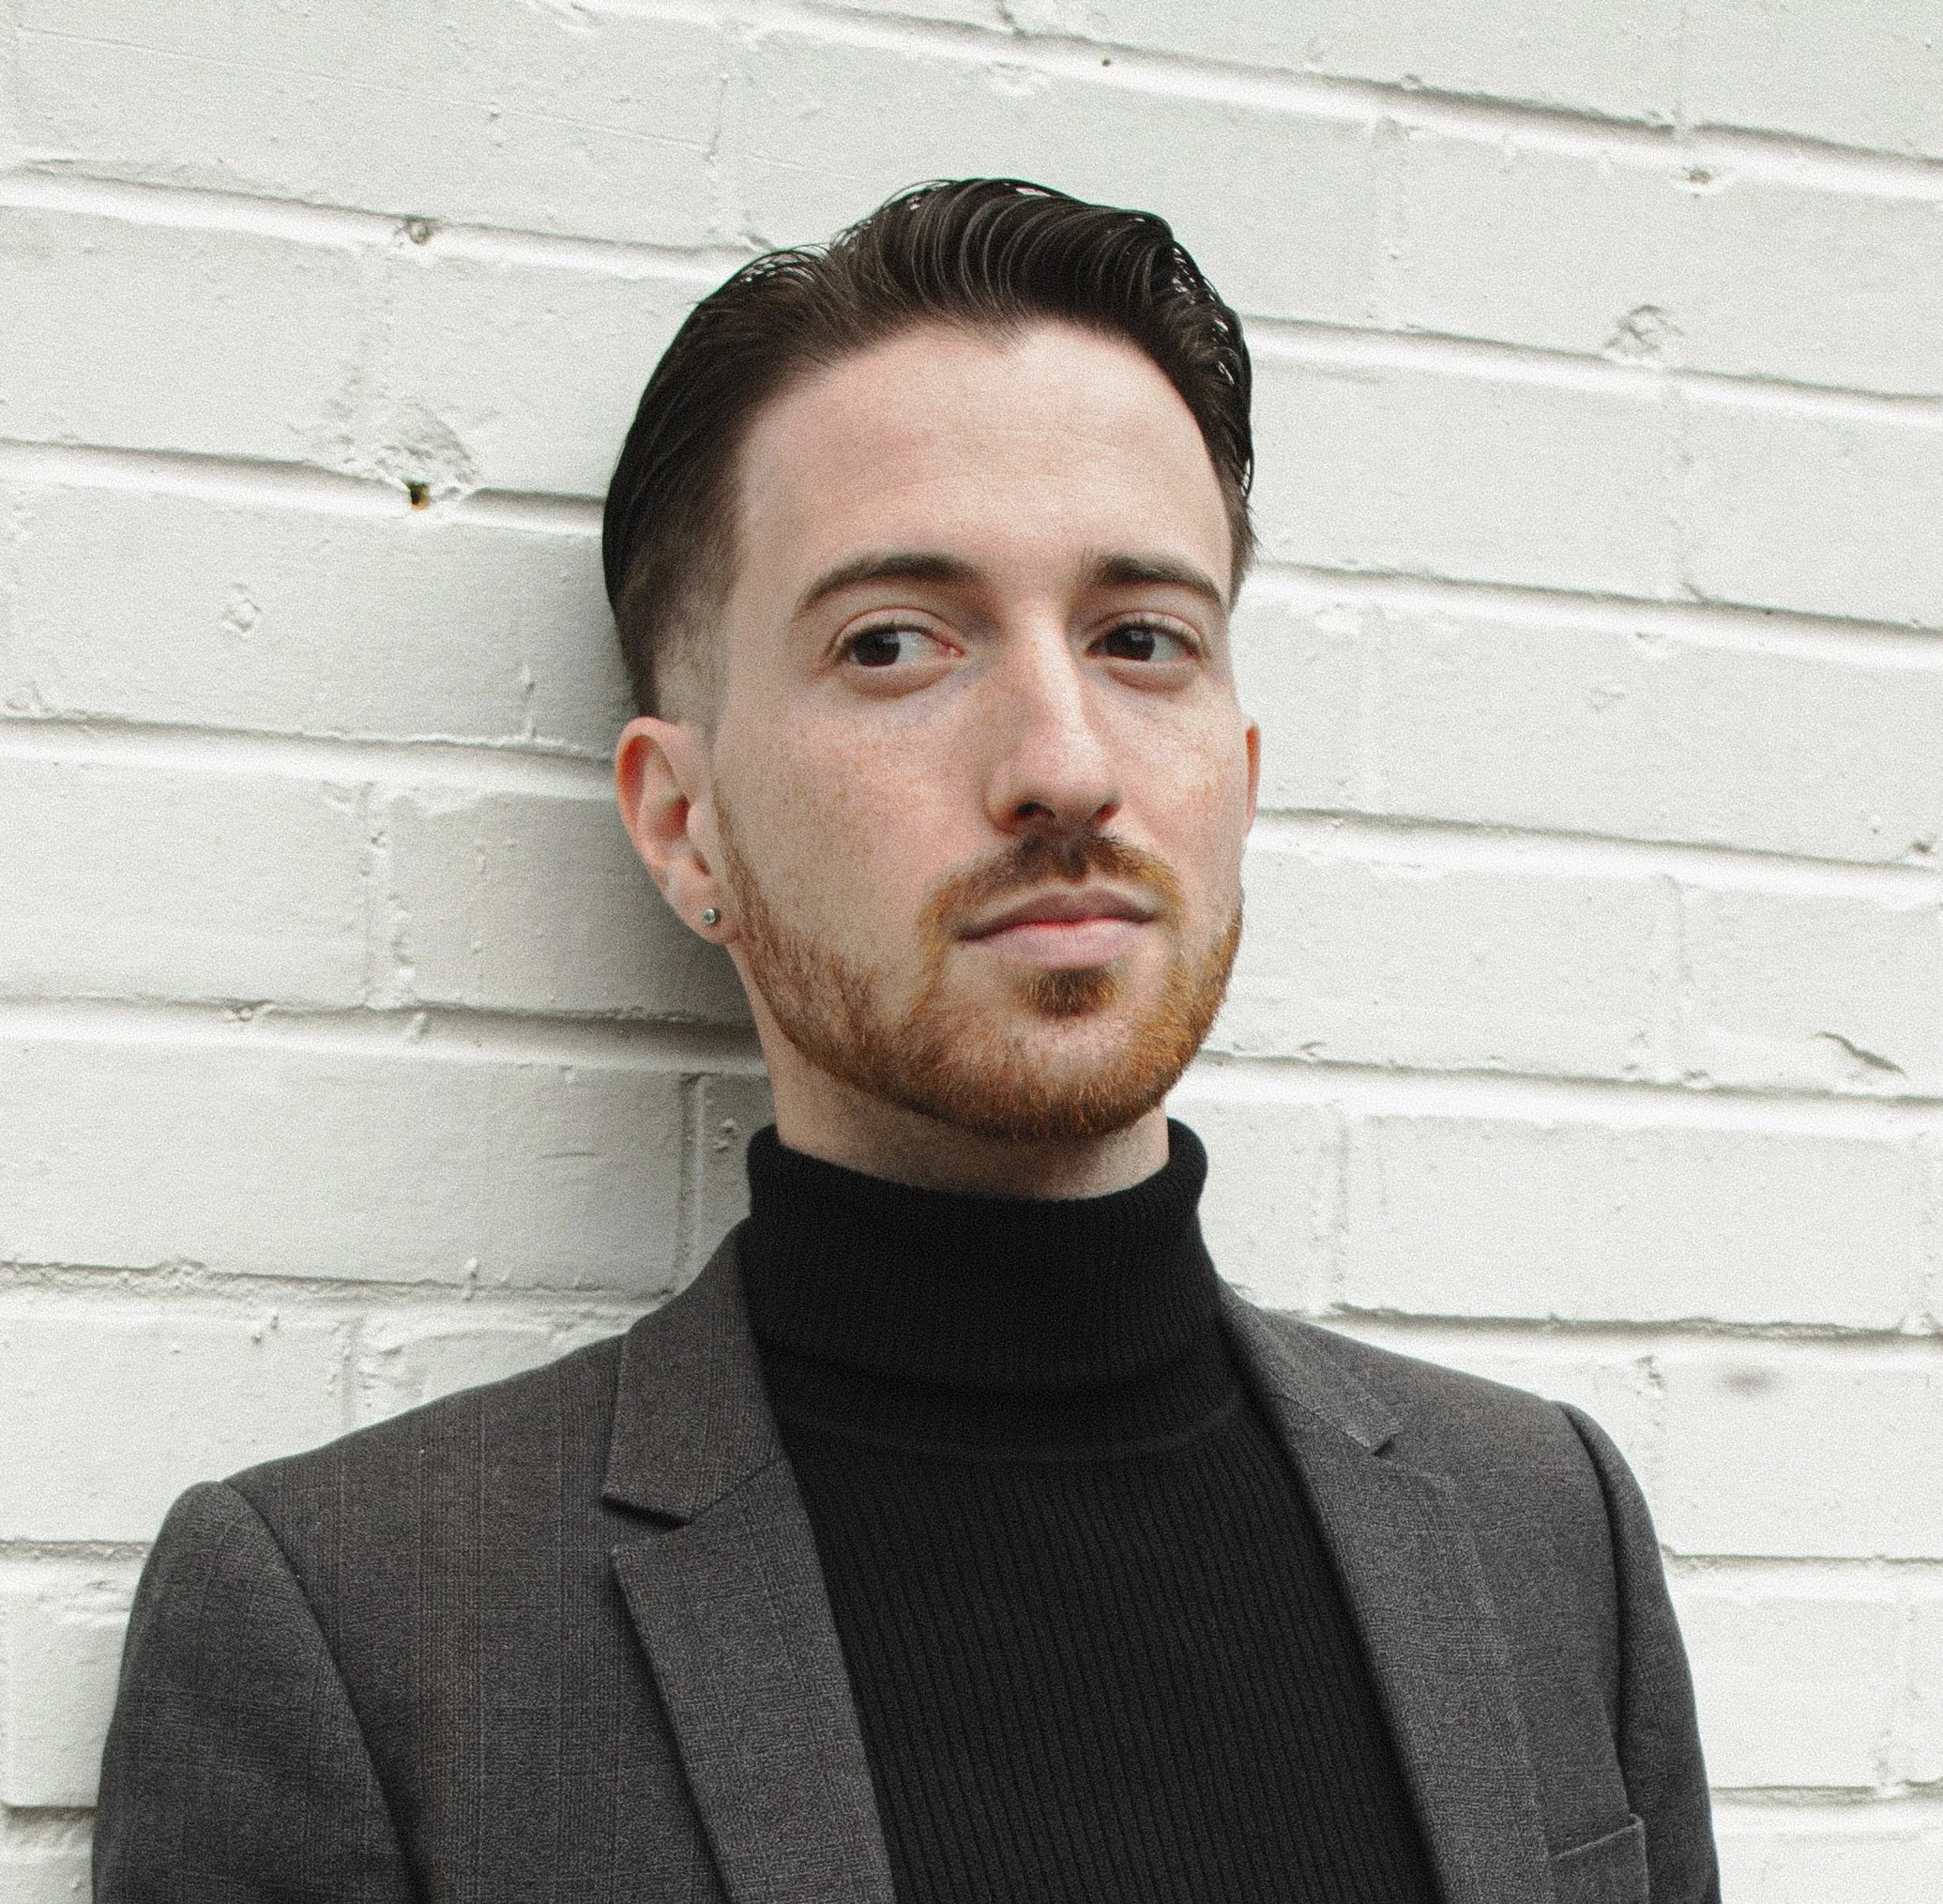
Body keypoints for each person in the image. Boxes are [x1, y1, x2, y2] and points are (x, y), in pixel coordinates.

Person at [94, 179, 1718, 1904]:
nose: (1063, 761)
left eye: (1140, 640)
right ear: (682, 822)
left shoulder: (1544, 1534)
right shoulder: (363, 1634)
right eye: (895, 643)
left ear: (1238, 775)